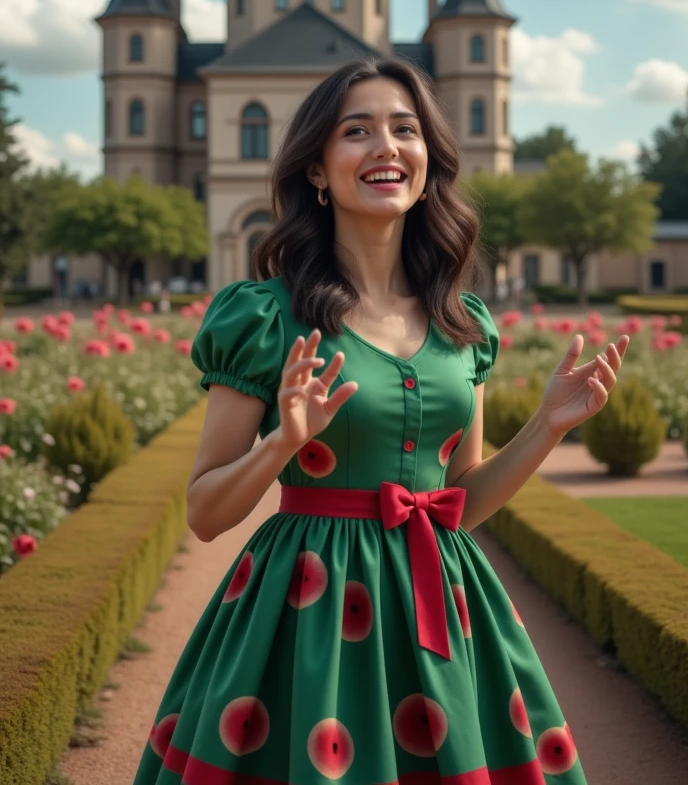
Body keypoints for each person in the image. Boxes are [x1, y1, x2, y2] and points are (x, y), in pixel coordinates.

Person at [133, 57, 628, 784]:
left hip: (446, 609)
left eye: (405, 129)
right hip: (304, 609)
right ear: (317, 170)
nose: (386, 147)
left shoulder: (464, 324)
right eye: (356, 131)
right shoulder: (265, 317)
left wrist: (548, 426)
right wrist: (282, 444)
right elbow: (205, 513)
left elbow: (462, 503)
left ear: (428, 161)